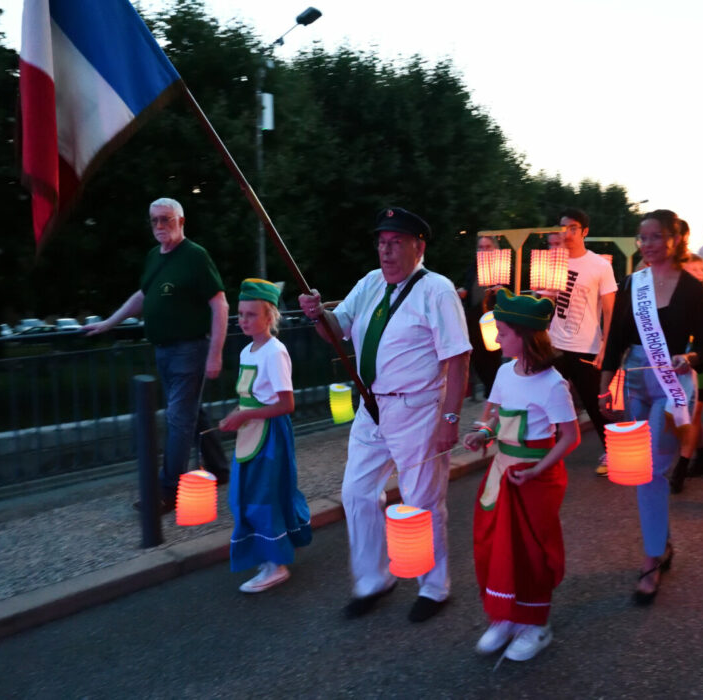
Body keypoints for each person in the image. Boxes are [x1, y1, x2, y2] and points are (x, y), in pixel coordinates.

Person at [299, 207, 471, 622]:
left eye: (396, 243)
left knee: (422, 500)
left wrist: (450, 419)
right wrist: (317, 313)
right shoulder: (370, 282)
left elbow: (459, 358)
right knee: (356, 493)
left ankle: (434, 586)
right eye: (382, 242)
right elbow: (336, 330)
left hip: (418, 408)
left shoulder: (438, 291)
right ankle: (373, 579)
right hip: (371, 406)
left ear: (418, 247)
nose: (386, 251)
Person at [84, 198, 230, 512]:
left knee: (178, 418)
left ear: (181, 221)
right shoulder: (154, 256)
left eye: (166, 219)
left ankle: (167, 491)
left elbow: (220, 305)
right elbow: (143, 296)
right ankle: (219, 469)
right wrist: (110, 322)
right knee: (191, 411)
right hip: (164, 351)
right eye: (154, 220)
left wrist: (215, 354)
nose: (160, 226)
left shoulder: (195, 256)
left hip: (189, 349)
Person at [600, 210, 703, 604]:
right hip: (632, 376)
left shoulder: (691, 288)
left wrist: (692, 358)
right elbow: (615, 335)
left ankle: (651, 561)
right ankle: (661, 543)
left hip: (672, 382)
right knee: (641, 471)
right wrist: (606, 383)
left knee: (650, 470)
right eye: (642, 237)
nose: (647, 244)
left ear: (674, 240)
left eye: (655, 237)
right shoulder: (634, 282)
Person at [462, 290, 579, 662]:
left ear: (525, 336)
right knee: (494, 544)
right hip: (502, 475)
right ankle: (505, 616)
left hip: (535, 480)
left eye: (502, 332)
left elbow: (570, 438)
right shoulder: (502, 371)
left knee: (530, 551)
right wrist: (482, 432)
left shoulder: (552, 384)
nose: (496, 339)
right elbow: (493, 413)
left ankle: (535, 624)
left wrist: (537, 471)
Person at [218, 279, 312, 593]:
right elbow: (250, 397)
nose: (243, 320)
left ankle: (276, 565)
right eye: (241, 314)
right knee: (245, 494)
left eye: (250, 315)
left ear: (269, 316)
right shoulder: (248, 350)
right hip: (251, 431)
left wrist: (245, 415)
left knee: (264, 496)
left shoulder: (275, 352)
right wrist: (236, 414)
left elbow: (286, 404)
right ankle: (269, 553)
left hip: (269, 435)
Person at [550, 208, 618, 475]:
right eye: (563, 227)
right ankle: (547, 451)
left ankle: (612, 451)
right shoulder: (553, 262)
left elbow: (610, 310)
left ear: (585, 232)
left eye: (573, 228)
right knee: (547, 397)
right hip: (555, 343)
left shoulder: (600, 265)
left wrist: (605, 346)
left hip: (586, 346)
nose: (567, 233)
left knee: (593, 402)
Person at [679, 254, 703, 478]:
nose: (696, 274)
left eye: (699, 270)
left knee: (693, 413)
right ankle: (702, 454)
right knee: (690, 412)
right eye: (690, 270)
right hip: (683, 359)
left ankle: (682, 466)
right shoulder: (679, 298)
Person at [457, 235, 504, 400]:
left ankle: (495, 396)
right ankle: (490, 393)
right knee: (477, 358)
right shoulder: (473, 267)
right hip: (473, 319)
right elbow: (467, 286)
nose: (484, 251)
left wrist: (501, 292)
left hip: (492, 320)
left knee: (492, 359)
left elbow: (509, 292)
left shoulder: (501, 269)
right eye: (481, 247)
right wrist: (462, 291)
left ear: (495, 249)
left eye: (487, 247)